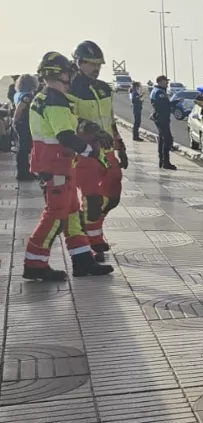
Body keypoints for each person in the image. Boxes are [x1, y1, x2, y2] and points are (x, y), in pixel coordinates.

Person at [23, 52, 112, 280]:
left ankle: (83, 261)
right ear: (60, 74)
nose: (70, 77)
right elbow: (65, 135)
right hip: (56, 167)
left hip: (60, 166)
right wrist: (92, 152)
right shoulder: (55, 101)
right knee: (56, 216)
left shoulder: (44, 98)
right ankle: (35, 263)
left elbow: (68, 122)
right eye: (67, 73)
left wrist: (90, 128)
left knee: (72, 215)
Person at [67, 41, 127, 260]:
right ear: (78, 63)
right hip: (86, 152)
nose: (96, 68)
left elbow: (110, 119)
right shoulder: (70, 88)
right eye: (91, 64)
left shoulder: (104, 88)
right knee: (92, 199)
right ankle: (93, 241)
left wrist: (120, 144)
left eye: (98, 64)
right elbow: (69, 120)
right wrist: (92, 130)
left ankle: (91, 226)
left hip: (107, 150)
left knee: (113, 195)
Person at [12, 74, 37, 180]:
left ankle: (24, 170)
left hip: (20, 123)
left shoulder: (18, 94)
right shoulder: (27, 96)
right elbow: (20, 108)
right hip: (24, 124)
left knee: (22, 147)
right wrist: (16, 120)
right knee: (24, 148)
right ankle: (23, 172)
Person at [149, 75, 176, 169]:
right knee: (167, 139)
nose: (167, 83)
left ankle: (162, 160)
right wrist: (174, 103)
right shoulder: (159, 92)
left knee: (162, 138)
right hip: (162, 118)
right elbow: (165, 105)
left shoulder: (156, 91)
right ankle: (166, 162)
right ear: (160, 82)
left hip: (159, 117)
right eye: (166, 82)